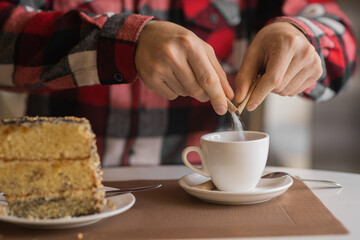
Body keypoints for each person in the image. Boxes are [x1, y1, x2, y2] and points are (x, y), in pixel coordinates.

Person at [0, 0, 356, 166]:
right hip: (58, 191)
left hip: (197, 202)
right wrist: (124, 43)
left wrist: (302, 35)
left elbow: (339, 38)